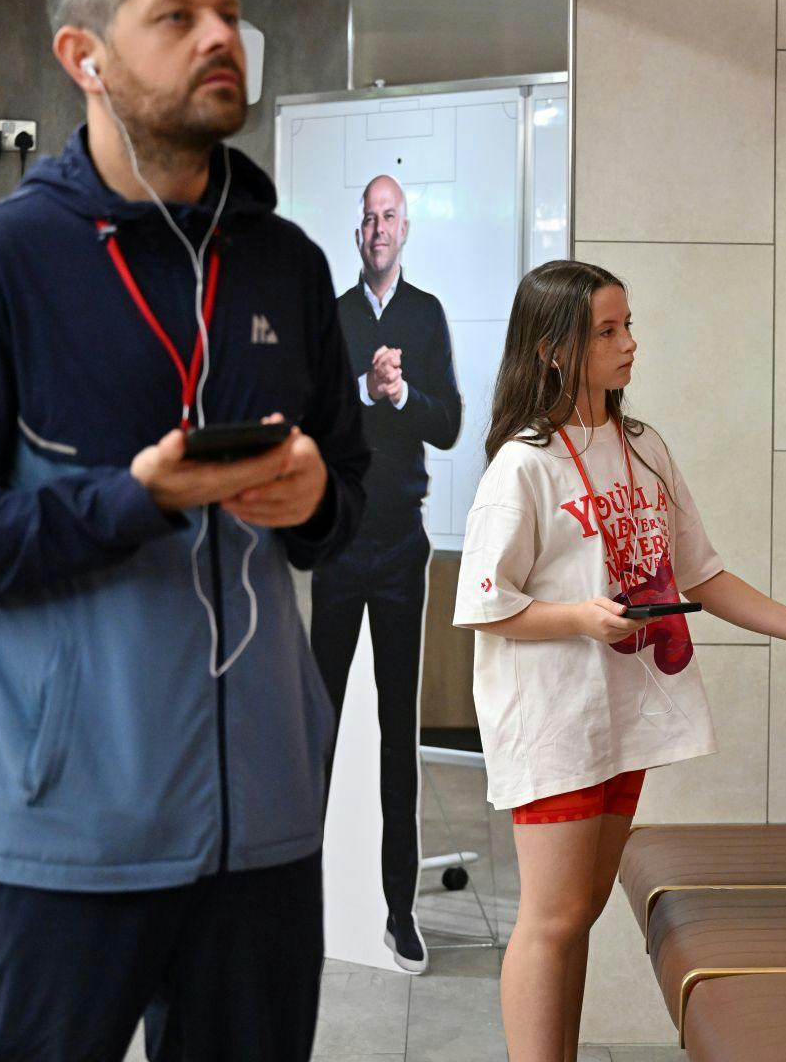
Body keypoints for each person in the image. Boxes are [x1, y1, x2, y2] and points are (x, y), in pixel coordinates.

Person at [0, 0, 370, 1061]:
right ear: (84, 56)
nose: (222, 39)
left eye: (228, 17)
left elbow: (346, 491)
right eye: (177, 17)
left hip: (263, 835)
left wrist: (313, 504)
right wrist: (131, 500)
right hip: (56, 839)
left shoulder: (287, 265)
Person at [453, 259, 786, 1062]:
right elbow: (486, 603)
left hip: (620, 718)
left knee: (577, 912)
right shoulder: (525, 463)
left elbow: (701, 572)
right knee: (550, 921)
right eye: (608, 332)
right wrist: (582, 618)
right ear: (555, 350)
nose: (631, 345)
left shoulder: (643, 446)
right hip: (552, 721)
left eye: (629, 326)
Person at [311, 172, 463, 973]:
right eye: (367, 217)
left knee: (396, 731)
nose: (377, 228)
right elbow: (309, 421)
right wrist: (364, 393)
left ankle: (399, 913)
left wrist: (403, 397)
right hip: (338, 546)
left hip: (402, 548)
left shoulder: (427, 316)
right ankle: (300, 903)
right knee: (320, 726)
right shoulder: (332, 318)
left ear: (405, 229)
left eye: (389, 216)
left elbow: (450, 423)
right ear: (358, 231)